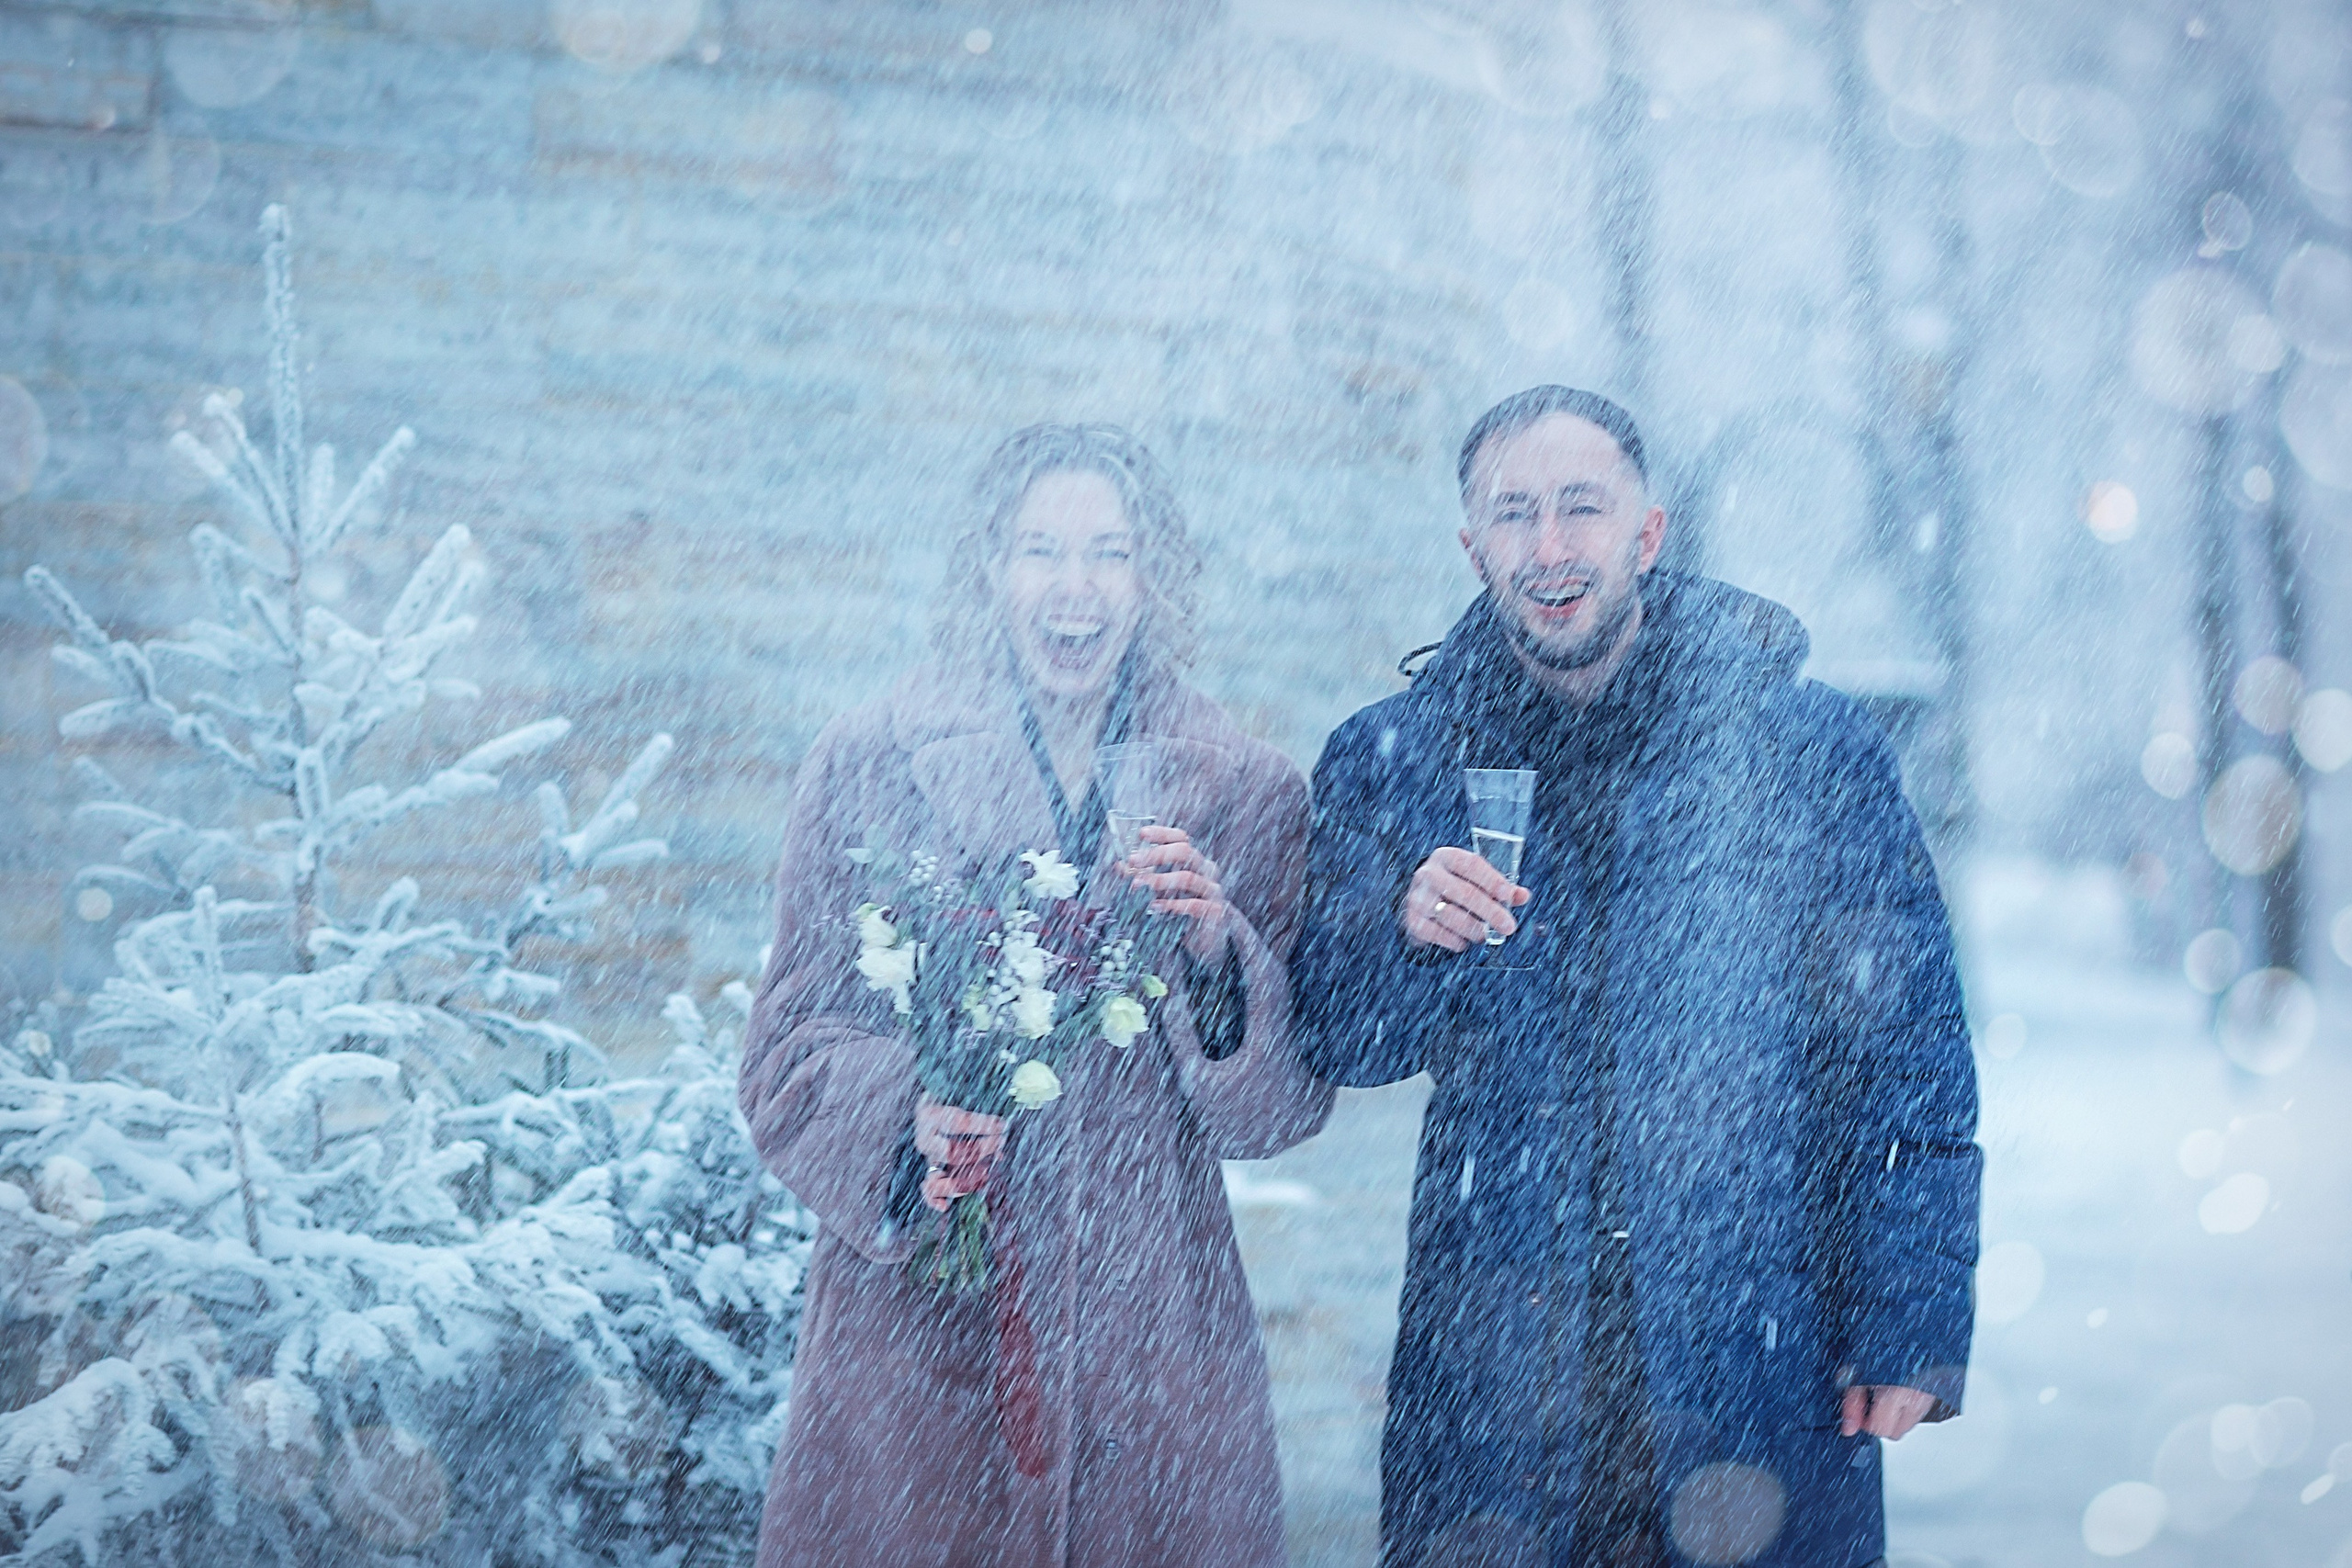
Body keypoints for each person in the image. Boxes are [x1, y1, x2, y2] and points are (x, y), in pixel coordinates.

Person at [1293, 387, 1981, 1568]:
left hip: (1754, 1337)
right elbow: (1340, 1039)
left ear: (1647, 535)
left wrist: (1909, 1322)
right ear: (1472, 549)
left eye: (1581, 509)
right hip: (1498, 1362)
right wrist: (1400, 927)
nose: (1549, 548)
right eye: (1514, 515)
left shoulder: (1803, 752)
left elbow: (1909, 1060)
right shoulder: (1391, 758)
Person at [739, 423, 1332, 1568]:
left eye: (1109, 553)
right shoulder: (869, 761)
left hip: (1151, 1333)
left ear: (1152, 579)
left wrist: (1214, 948)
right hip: (918, 1336)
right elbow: (786, 1055)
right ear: (988, 569)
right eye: (1041, 551)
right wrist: (904, 1119)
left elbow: (1280, 1108)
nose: (1076, 588)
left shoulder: (1244, 789)